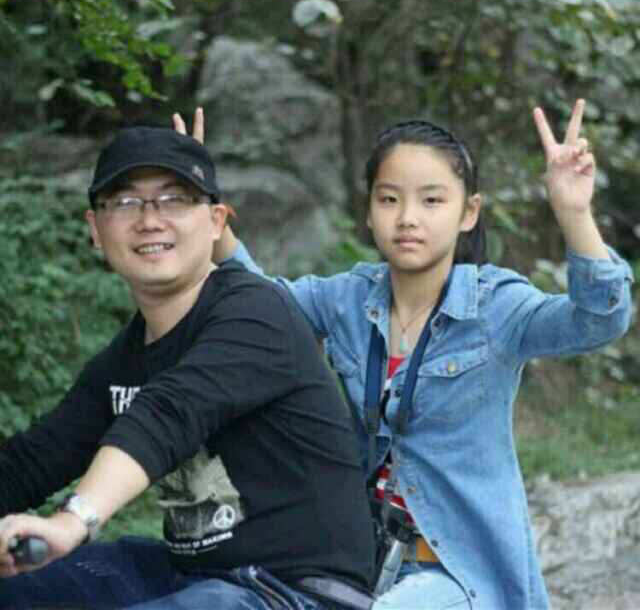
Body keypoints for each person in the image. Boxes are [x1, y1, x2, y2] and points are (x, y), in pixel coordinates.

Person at [175, 99, 634, 610]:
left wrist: (573, 212)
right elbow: (261, 305)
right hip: (357, 559)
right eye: (389, 199)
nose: (408, 218)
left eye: (432, 200)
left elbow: (598, 320)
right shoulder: (350, 299)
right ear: (369, 212)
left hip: (459, 573)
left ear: (468, 213)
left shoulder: (495, 307)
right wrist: (206, 205)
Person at [0, 125, 377, 610]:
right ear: (95, 228)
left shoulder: (258, 313)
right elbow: (33, 461)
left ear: (217, 221)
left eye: (175, 200)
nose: (150, 220)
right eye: (126, 202)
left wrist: (72, 521)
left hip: (296, 593)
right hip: (189, 577)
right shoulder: (125, 359)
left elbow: (166, 414)